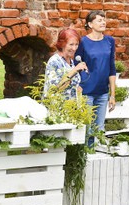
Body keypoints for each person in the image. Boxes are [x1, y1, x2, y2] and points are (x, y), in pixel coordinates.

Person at [76, 10, 117, 146]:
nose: (103, 22)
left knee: (99, 128)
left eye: (104, 19)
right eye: (99, 20)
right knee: (87, 128)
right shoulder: (83, 42)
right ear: (90, 24)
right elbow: (76, 64)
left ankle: (96, 155)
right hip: (86, 90)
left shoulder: (110, 41)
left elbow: (112, 68)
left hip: (103, 92)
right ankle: (84, 156)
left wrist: (112, 95)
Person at [44, 28, 87, 100]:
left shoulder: (70, 61)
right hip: (56, 108)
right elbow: (54, 89)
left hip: (71, 108)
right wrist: (75, 70)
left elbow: (70, 85)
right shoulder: (55, 61)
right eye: (71, 44)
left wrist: (77, 89)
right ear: (62, 44)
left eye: (76, 44)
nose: (74, 48)